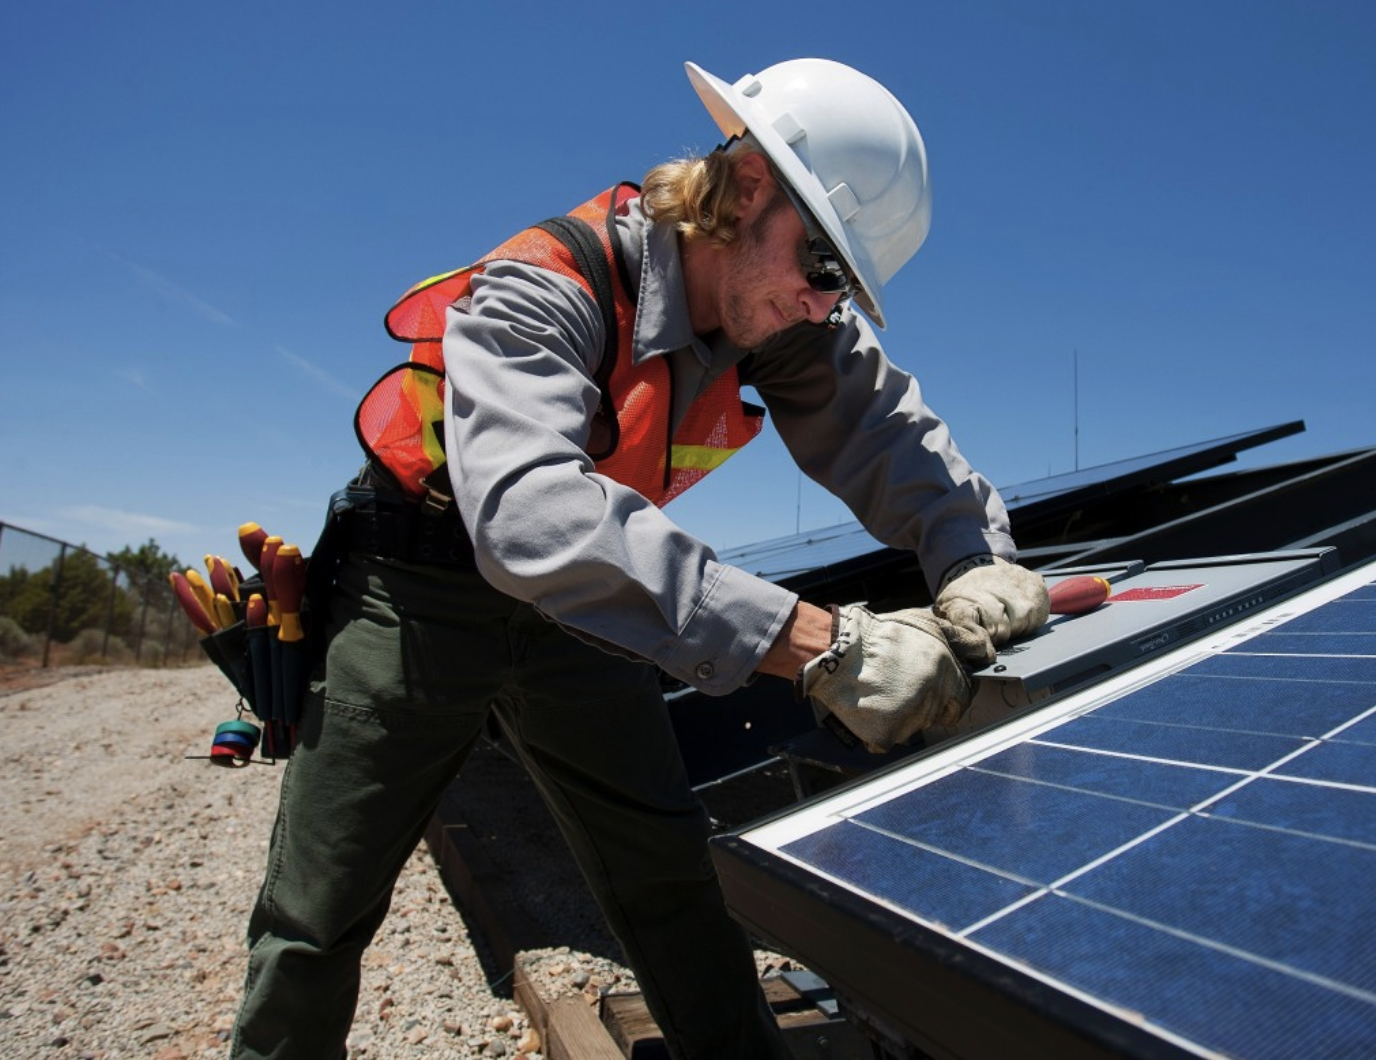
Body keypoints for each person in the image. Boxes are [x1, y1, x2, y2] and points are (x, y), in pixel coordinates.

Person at [230, 57, 1050, 1060]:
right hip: (418, 588)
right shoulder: (546, 284)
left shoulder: (780, 313)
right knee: (320, 909)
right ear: (746, 189)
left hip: (574, 611)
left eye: (843, 285)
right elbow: (532, 512)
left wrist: (973, 557)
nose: (822, 303)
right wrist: (820, 643)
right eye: (822, 267)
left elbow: (887, 430)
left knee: (666, 874)